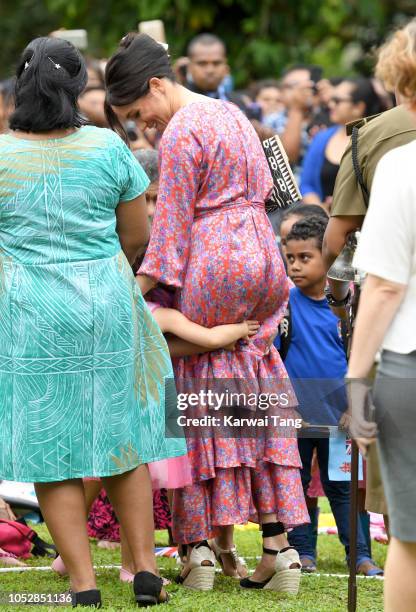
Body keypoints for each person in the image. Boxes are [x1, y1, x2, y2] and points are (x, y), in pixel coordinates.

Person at [105, 32, 308, 595]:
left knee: (194, 389)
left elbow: (167, 229)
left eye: (135, 111)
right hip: (264, 253)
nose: (138, 125)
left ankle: (197, 550)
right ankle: (278, 547)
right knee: (254, 383)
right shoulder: (231, 111)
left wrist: (132, 287)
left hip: (214, 254)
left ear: (155, 85)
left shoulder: (180, 133)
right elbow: (269, 187)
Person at [0, 36, 187, 608]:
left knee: (51, 450)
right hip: (106, 304)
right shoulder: (108, 149)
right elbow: (137, 236)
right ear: (78, 88)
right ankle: (146, 572)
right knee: (122, 438)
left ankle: (83, 586)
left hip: (32, 312)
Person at [322, 19, 416, 519]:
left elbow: (344, 250)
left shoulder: (382, 143)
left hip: (404, 339)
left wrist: (356, 379)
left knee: (410, 527)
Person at [275, 216, 382, 576]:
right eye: (290, 258)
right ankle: (304, 552)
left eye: (305, 257)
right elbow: (273, 360)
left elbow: (360, 359)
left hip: (340, 420)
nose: (295, 265)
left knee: (344, 487)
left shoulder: (349, 307)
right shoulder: (284, 304)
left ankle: (361, 555)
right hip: (298, 419)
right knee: (298, 486)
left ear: (328, 257)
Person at [300, 78, 383, 211]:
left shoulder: (377, 140)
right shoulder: (322, 138)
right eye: (331, 99)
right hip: (323, 223)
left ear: (358, 107)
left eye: (337, 101)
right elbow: (306, 184)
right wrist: (320, 209)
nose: (330, 105)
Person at [185, 33, 247, 110]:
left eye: (216, 63)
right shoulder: (178, 104)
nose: (210, 70)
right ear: (189, 67)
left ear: (226, 66)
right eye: (202, 63)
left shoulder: (238, 104)